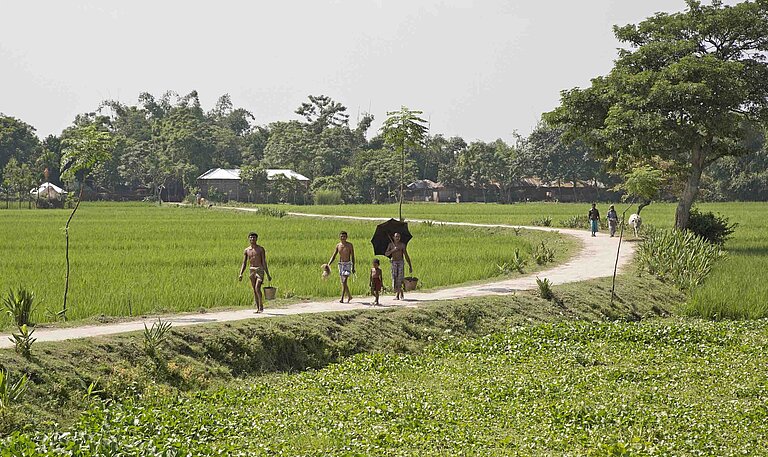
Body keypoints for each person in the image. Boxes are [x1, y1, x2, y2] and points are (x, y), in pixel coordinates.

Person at [238, 232, 271, 313]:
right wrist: (241, 273)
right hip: (251, 270)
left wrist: (268, 274)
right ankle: (257, 308)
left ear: (257, 239)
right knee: (254, 290)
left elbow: (264, 262)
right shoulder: (246, 250)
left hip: (260, 270)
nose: (252, 239)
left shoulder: (260, 249)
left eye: (254, 237)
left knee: (257, 288)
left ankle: (261, 307)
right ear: (249, 239)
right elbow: (244, 263)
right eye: (251, 237)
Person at [328, 231, 356, 303]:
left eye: (344, 236)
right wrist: (329, 264)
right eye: (341, 236)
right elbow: (334, 256)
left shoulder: (350, 245)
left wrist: (353, 267)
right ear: (339, 237)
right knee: (343, 282)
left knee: (344, 281)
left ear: (346, 237)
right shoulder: (338, 246)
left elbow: (353, 256)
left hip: (348, 264)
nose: (343, 238)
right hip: (341, 265)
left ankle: (342, 298)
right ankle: (349, 296)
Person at [384, 232, 413, 300]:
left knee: (400, 278)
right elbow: (386, 254)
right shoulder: (391, 245)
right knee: (394, 278)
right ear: (393, 237)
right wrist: (393, 250)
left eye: (399, 237)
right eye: (396, 236)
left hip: (400, 262)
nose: (397, 238)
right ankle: (401, 292)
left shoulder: (402, 245)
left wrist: (410, 266)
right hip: (394, 262)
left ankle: (398, 295)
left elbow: (406, 255)